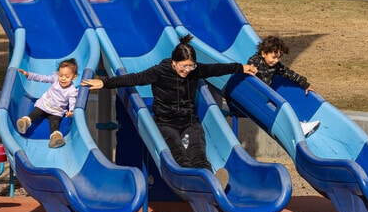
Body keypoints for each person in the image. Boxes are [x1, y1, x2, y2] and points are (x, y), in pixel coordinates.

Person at [82, 34, 257, 188]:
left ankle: (210, 181)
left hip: (189, 123)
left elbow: (216, 69)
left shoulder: (195, 71)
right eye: (184, 66)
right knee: (180, 153)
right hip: (166, 123)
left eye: (191, 66)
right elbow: (135, 78)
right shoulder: (160, 71)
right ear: (174, 63)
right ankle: (195, 183)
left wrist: (241, 67)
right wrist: (105, 83)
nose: (187, 70)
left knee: (197, 151)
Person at [247, 35, 320, 137]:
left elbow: (288, 73)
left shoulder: (275, 66)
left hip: (264, 96)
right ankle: (297, 128)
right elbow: (251, 73)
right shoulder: (254, 61)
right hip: (253, 95)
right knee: (279, 107)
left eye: (279, 57)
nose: (276, 60)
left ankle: (297, 127)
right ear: (263, 53)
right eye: (274, 57)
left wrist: (305, 84)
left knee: (281, 106)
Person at [16, 58, 79, 148]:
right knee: (35, 113)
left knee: (55, 123)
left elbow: (73, 100)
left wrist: (72, 111)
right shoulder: (55, 79)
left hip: (56, 111)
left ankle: (56, 137)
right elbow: (43, 78)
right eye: (61, 75)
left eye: (67, 76)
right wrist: (29, 75)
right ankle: (25, 122)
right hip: (44, 104)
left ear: (74, 77)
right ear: (58, 74)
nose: (63, 79)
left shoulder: (72, 90)